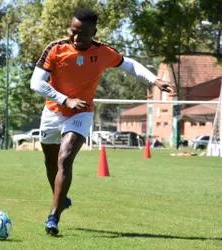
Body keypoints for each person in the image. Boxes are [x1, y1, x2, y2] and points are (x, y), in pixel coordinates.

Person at [30, 8, 176, 236]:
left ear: (94, 32)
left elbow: (130, 65)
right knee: (50, 163)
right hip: (53, 112)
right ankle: (60, 198)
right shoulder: (56, 48)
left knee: (65, 157)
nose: (76, 38)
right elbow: (36, 83)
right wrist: (65, 99)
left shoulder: (103, 52)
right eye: (74, 32)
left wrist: (154, 79)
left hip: (81, 113)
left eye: (83, 34)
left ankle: (53, 216)